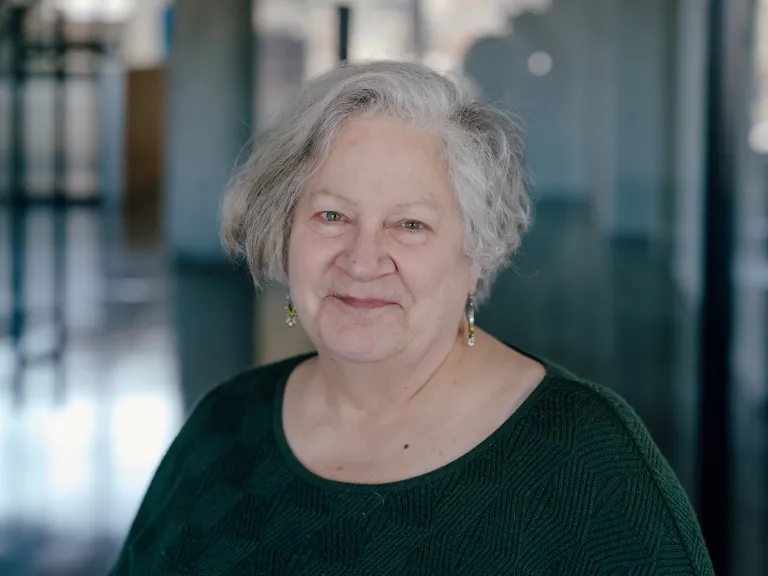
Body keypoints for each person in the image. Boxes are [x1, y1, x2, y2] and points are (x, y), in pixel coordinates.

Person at [110, 60, 714, 575]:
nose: (363, 259)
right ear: (282, 232)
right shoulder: (225, 422)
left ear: (476, 255)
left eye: (411, 225)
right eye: (331, 216)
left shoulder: (584, 459)